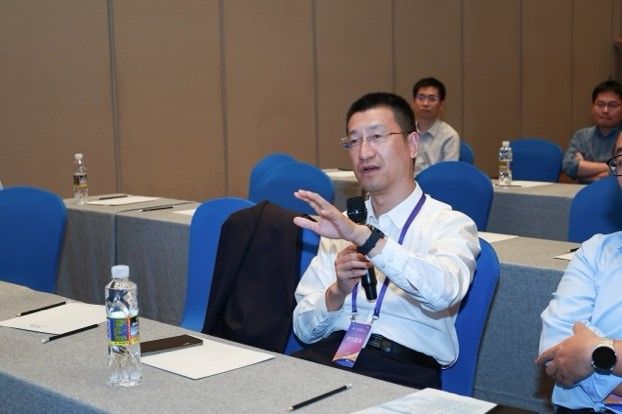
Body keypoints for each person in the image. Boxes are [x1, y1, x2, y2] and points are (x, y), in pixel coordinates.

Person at [290, 91, 480, 389]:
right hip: (333, 356)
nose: (364, 152)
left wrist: (365, 238)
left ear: (412, 144)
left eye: (377, 137)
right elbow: (302, 328)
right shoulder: (342, 225)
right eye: (354, 141)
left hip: (401, 369)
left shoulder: (450, 224)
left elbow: (444, 292)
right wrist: (337, 292)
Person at [537, 131, 622, 413]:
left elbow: (576, 359)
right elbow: (556, 349)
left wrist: (593, 353)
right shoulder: (595, 251)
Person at [562, 80, 622, 183]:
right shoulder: (581, 136)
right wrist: (614, 166)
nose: (605, 110)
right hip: (583, 191)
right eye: (600, 104)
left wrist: (584, 174)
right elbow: (568, 165)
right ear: (592, 108)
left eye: (612, 105)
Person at [411, 77, 460, 176]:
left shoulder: (450, 136)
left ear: (441, 104)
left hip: (436, 184)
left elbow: (449, 174)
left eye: (432, 99)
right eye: (421, 98)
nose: (425, 103)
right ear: (413, 102)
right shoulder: (406, 132)